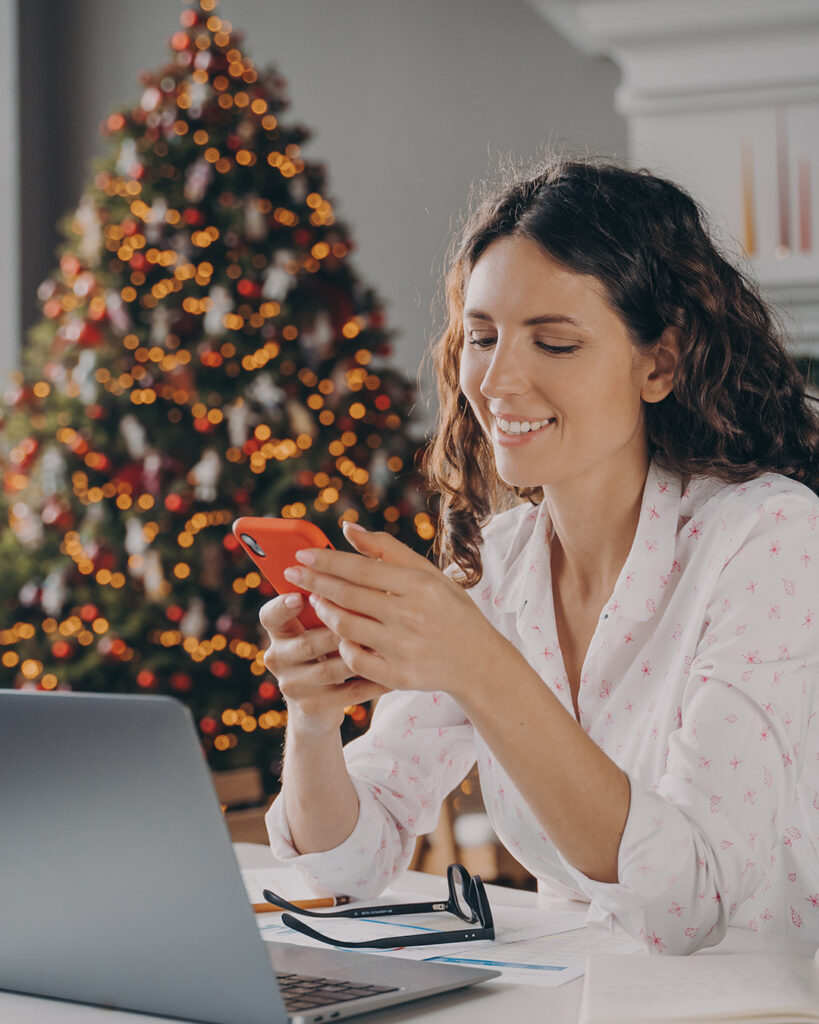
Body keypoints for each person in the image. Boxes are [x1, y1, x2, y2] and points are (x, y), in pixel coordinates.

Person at [260, 158, 819, 954]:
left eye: (553, 343)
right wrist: (313, 722)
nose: (497, 380)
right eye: (481, 337)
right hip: (573, 996)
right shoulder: (502, 563)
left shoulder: (768, 538)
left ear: (658, 363)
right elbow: (345, 867)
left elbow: (689, 904)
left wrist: (480, 666)